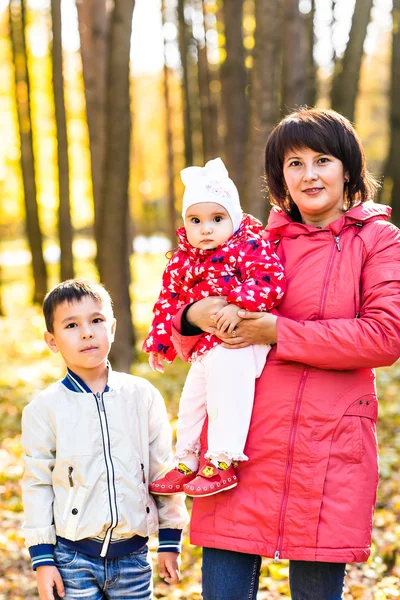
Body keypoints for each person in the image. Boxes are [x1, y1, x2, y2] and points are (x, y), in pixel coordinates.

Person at [170, 108, 400, 599]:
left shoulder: (379, 240)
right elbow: (189, 337)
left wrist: (279, 331)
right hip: (241, 443)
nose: (310, 174)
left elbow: (384, 336)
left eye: (323, 160)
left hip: (330, 444)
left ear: (347, 170)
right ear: (279, 177)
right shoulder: (247, 240)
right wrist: (192, 317)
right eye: (295, 164)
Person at [21, 279, 189, 600]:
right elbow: (37, 484)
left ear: (112, 328)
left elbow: (162, 471)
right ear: (52, 340)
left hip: (134, 558)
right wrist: (43, 559)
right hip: (71, 559)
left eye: (96, 321)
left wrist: (170, 540)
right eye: (71, 325)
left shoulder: (142, 396)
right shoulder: (44, 409)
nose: (87, 332)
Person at [143, 157, 285, 497]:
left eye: (216, 219)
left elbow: (270, 281)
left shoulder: (247, 246)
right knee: (191, 402)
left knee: (227, 398)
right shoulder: (182, 260)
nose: (206, 229)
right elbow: (169, 300)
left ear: (233, 219)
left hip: (240, 343)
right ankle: (186, 459)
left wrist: (240, 305)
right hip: (205, 349)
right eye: (196, 220)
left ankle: (222, 460)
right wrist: (159, 341)